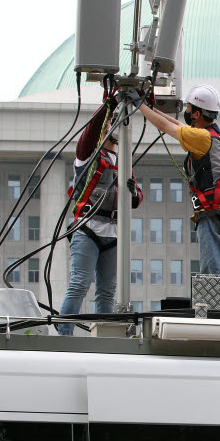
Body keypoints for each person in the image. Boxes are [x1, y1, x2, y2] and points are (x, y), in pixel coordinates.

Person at [58, 98, 143, 335]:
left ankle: (104, 336)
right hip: (88, 228)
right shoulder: (88, 155)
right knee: (79, 284)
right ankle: (64, 335)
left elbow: (136, 198)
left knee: (107, 291)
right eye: (111, 123)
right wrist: (109, 104)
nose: (115, 127)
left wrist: (133, 192)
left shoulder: (124, 161)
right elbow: (91, 130)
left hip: (114, 233)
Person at [137, 84, 220, 275]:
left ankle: (212, 305)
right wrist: (148, 106)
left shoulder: (201, 137)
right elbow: (177, 125)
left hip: (213, 214)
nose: (186, 111)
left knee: (212, 275)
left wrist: (137, 104)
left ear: (197, 114)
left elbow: (164, 127)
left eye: (188, 108)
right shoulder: (213, 134)